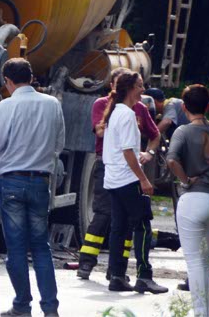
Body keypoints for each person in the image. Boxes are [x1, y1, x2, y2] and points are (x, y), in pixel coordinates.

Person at [0, 58, 64, 317]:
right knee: (41, 246)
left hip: (12, 182)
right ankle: (50, 309)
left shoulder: (6, 106)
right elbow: (59, 146)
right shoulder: (53, 104)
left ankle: (21, 306)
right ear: (31, 77)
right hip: (41, 181)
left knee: (16, 248)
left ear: (7, 81)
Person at [78, 68, 168, 280]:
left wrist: (149, 153)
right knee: (104, 213)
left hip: (129, 168)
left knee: (124, 222)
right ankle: (87, 262)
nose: (142, 90)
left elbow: (154, 135)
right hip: (111, 166)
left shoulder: (136, 109)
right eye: (138, 86)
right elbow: (103, 134)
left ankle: (116, 270)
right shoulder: (107, 107)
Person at [102, 71, 168, 294]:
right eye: (140, 86)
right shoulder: (128, 115)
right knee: (142, 226)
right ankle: (144, 276)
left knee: (118, 229)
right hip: (127, 179)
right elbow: (129, 152)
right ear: (130, 88)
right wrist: (144, 179)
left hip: (112, 179)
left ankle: (117, 276)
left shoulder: (114, 112)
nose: (143, 90)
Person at [167, 84, 209, 316]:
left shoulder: (182, 131)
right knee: (205, 263)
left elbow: (172, 160)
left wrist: (185, 180)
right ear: (208, 106)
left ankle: (201, 314)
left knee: (194, 264)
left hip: (193, 199)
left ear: (184, 107)